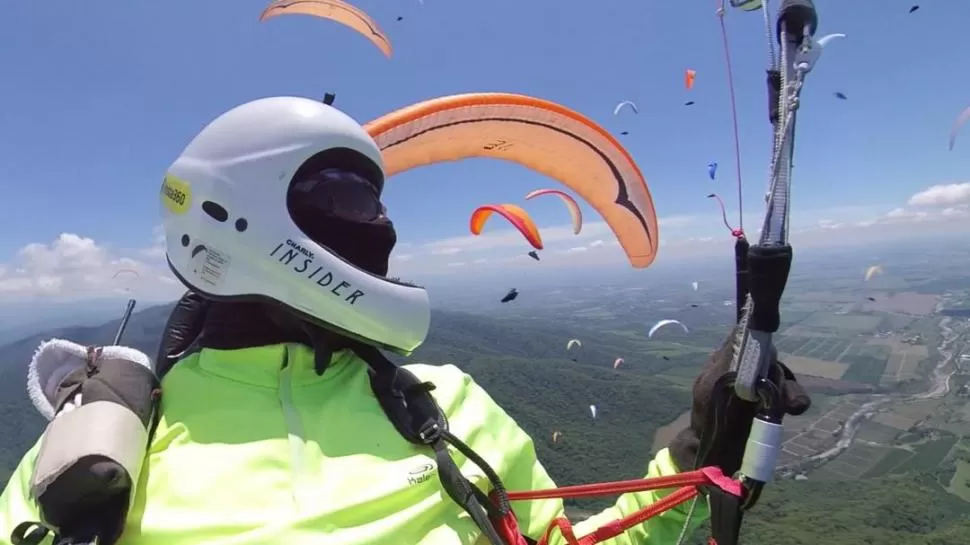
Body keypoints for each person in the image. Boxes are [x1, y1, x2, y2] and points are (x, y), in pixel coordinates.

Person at [0, 97, 810, 545]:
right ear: (232, 214)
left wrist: (697, 454)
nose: (381, 228)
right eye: (352, 200)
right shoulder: (96, 453)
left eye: (378, 202)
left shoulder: (444, 403)